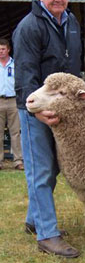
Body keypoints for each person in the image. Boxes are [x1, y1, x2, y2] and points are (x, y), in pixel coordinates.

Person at [12, 0, 82, 258]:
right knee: (40, 170)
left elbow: (73, 66)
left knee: (53, 167)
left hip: (60, 110)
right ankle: (47, 235)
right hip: (34, 109)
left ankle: (34, 219)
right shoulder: (30, 26)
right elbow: (25, 74)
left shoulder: (72, 22)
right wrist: (36, 113)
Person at [0, 38, 24, 171]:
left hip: (13, 100)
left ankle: (18, 161)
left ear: (8, 49)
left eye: (3, 49)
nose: (1, 52)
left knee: (15, 132)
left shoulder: (15, 64)